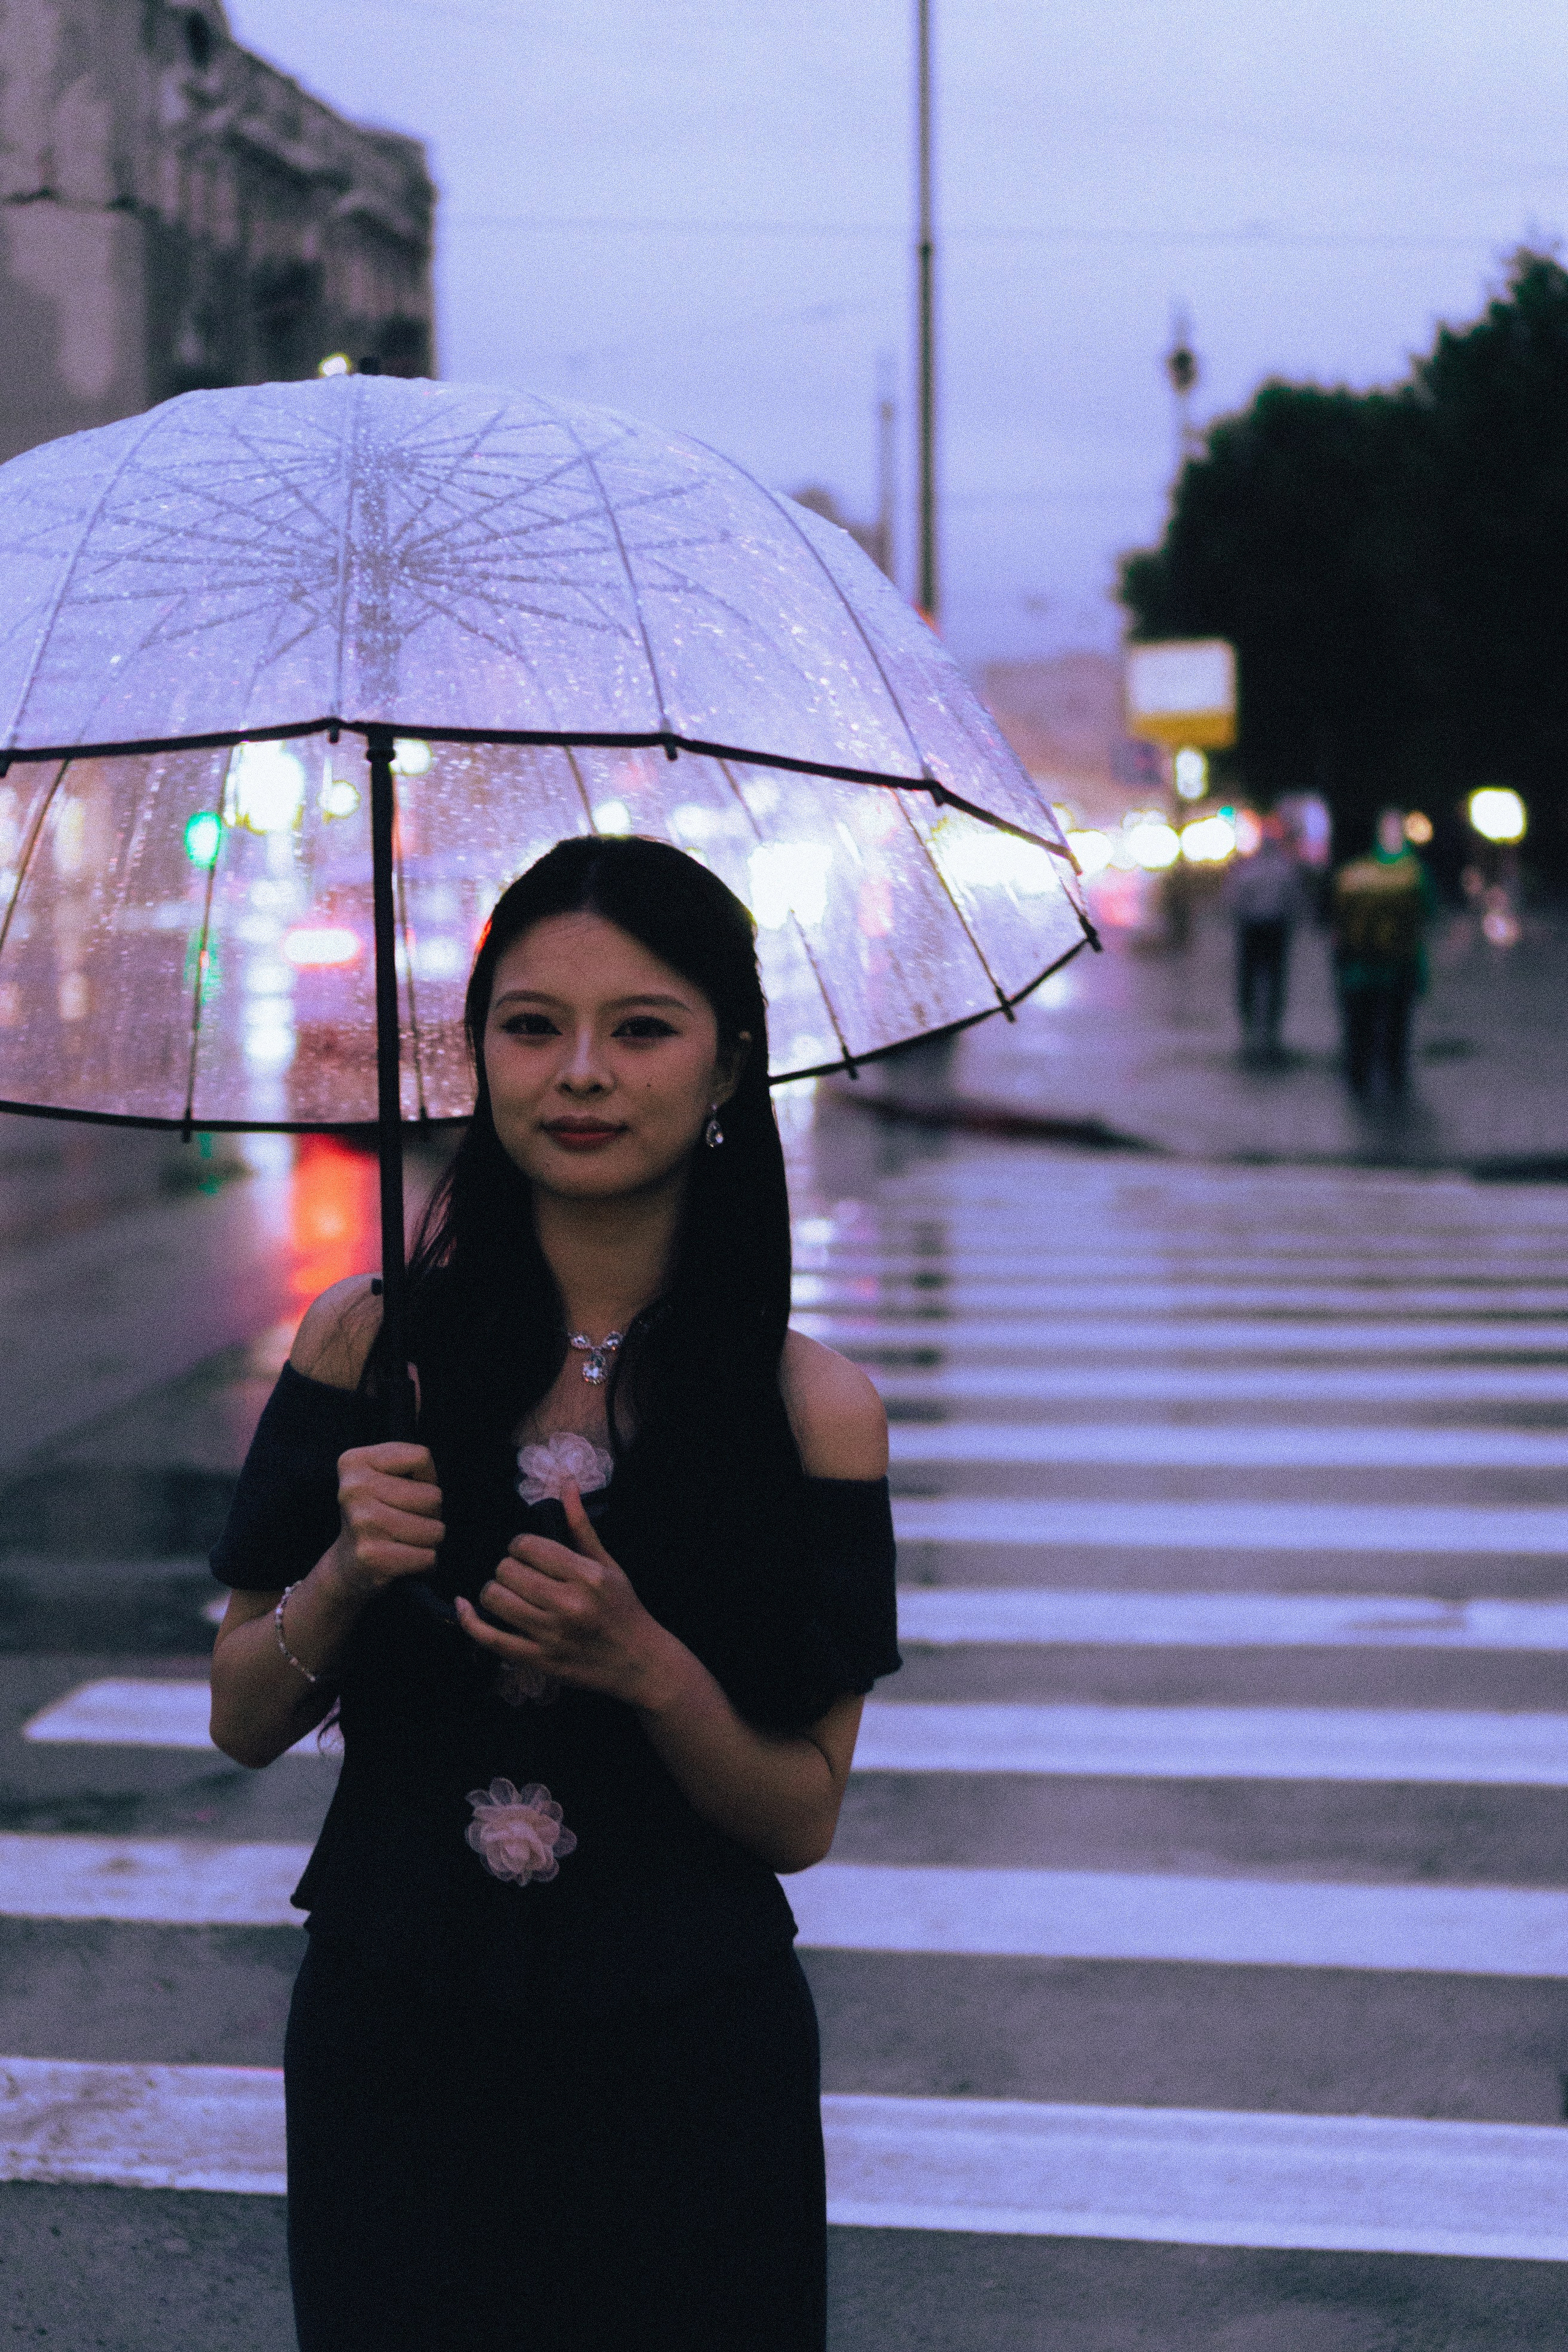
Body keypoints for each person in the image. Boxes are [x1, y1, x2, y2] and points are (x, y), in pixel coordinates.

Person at [208, 835, 900, 2352]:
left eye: (640, 1027)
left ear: (727, 1069)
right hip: (394, 2029)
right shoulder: (365, 1346)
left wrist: (646, 1663)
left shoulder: (810, 1410)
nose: (577, 1072)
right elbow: (244, 1715)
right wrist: (339, 1574)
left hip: (686, 2056)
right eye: (531, 1025)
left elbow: (797, 1814)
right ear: (478, 1057)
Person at [1332, 809, 1436, 1098]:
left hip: (1358, 970)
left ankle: (1359, 1081)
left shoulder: (1351, 875)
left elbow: (1336, 922)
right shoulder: (1414, 874)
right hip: (1400, 968)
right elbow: (1427, 915)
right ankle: (1394, 1080)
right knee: (1396, 1030)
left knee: (1358, 1030)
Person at [1221, 813, 1309, 1057]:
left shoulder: (1247, 870)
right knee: (1275, 977)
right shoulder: (1285, 870)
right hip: (1275, 930)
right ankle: (1271, 1028)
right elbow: (1295, 901)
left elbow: (1232, 900)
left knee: (1248, 977)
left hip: (1251, 930)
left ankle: (1249, 1026)